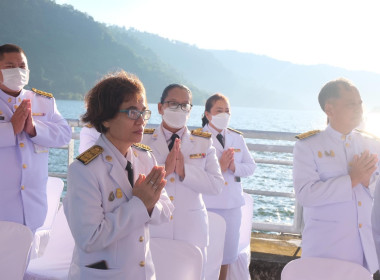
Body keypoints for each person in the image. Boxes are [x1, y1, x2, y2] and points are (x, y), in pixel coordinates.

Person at [63, 71, 174, 280]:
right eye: (132, 112)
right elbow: (90, 238)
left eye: (144, 112)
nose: (141, 121)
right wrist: (140, 204)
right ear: (105, 119)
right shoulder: (84, 169)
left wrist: (149, 204)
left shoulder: (145, 157)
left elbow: (167, 211)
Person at [293, 78, 380, 273]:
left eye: (360, 103)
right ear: (329, 110)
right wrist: (352, 179)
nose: (358, 109)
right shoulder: (308, 145)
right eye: (351, 104)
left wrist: (367, 182)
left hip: (363, 249)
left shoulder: (372, 144)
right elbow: (306, 194)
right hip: (325, 248)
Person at [141, 84, 224, 277]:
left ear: (190, 111)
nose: (179, 109)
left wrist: (184, 171)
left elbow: (216, 184)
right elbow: (134, 183)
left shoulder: (203, 142)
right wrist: (165, 169)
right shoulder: (143, 141)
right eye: (173, 104)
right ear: (160, 108)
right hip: (154, 228)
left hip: (191, 230)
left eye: (184, 105)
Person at [0, 43, 71, 233]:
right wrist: (10, 129)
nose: (18, 71)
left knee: (29, 261)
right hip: (2, 211)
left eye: (22, 66)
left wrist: (34, 129)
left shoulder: (43, 102)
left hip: (33, 210)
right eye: (10, 67)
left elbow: (65, 135)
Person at [201, 93, 256, 280]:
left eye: (227, 111)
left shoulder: (237, 138)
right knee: (206, 255)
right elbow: (192, 171)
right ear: (208, 114)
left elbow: (251, 167)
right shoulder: (197, 139)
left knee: (226, 256)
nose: (224, 114)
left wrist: (234, 167)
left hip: (232, 206)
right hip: (208, 204)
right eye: (219, 110)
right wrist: (220, 166)